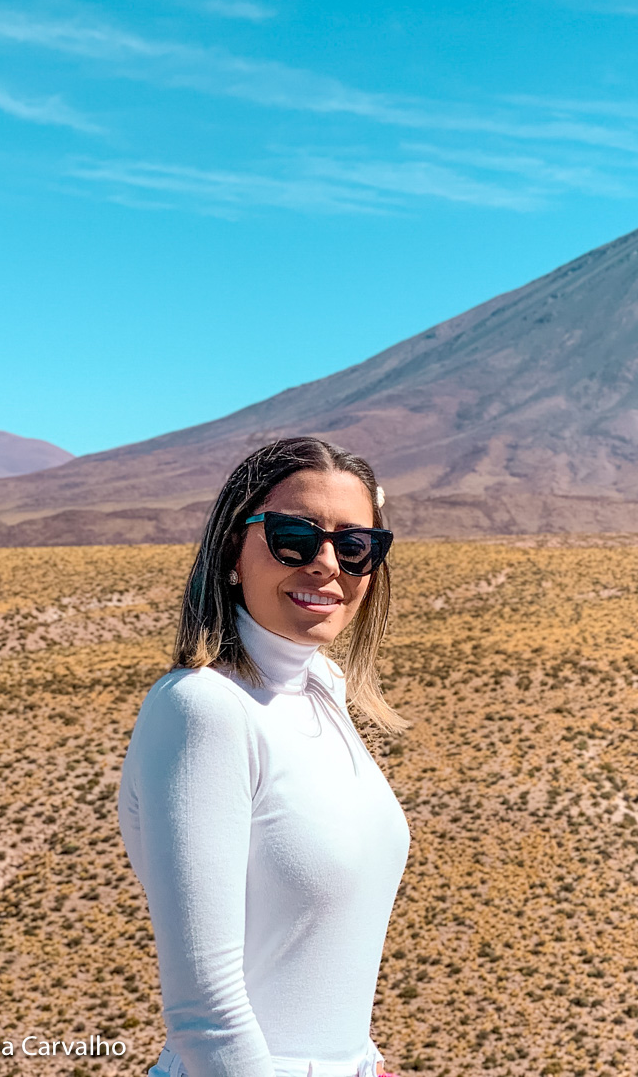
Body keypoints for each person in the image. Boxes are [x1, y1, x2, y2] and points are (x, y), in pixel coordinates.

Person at [117, 437, 410, 1077]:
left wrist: (361, 1059)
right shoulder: (204, 708)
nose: (326, 564)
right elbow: (206, 1011)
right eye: (293, 538)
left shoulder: (324, 691)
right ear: (231, 549)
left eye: (356, 546)